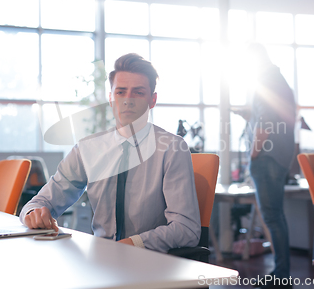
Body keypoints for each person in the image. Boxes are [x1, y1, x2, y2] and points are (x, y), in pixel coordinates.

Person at [20, 53, 201, 252]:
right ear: (110, 98)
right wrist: (34, 213)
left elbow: (187, 229)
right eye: (121, 92)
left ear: (153, 100)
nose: (128, 101)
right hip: (100, 260)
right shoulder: (87, 149)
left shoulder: (172, 149)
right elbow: (40, 202)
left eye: (138, 93)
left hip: (150, 261)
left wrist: (133, 244)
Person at [236, 43, 296, 288]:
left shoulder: (265, 81)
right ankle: (282, 273)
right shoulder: (277, 79)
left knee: (272, 217)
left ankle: (282, 275)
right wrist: (250, 115)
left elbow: (267, 122)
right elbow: (272, 115)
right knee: (276, 216)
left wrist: (254, 154)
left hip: (267, 156)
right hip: (280, 154)